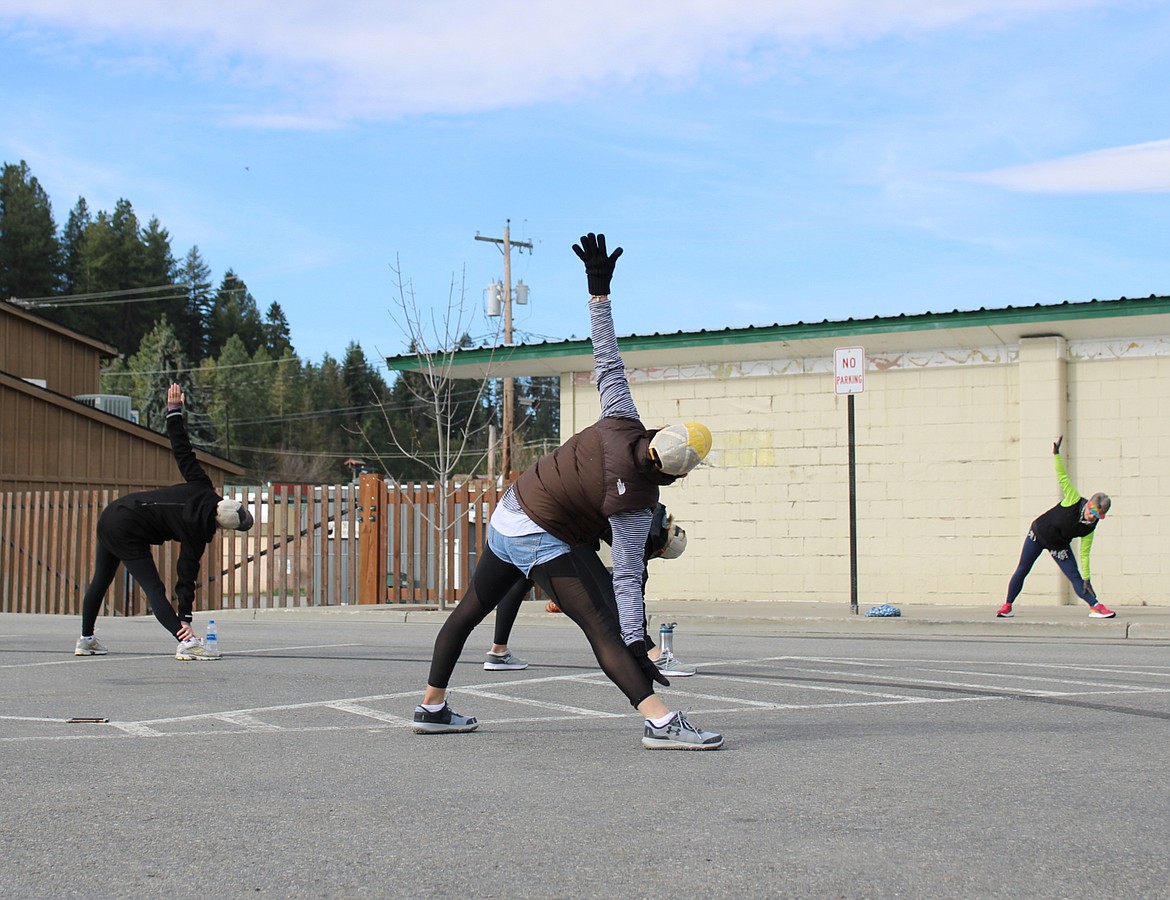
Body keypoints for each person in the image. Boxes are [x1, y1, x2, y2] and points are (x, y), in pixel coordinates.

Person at [411, 232, 723, 749]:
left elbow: (607, 356)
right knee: (603, 627)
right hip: (542, 533)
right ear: (679, 476)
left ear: (662, 430)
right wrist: (636, 640)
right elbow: (625, 576)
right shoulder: (635, 507)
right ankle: (662, 723)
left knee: (469, 610)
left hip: (510, 511)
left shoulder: (622, 416)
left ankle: (431, 706)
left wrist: (598, 289)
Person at [73, 383, 254, 660]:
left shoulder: (203, 486)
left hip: (114, 512)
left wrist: (174, 412)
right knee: (154, 588)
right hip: (127, 529)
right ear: (220, 526)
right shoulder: (199, 531)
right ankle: (186, 644)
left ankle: (86, 639)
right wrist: (184, 619)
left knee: (101, 580)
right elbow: (186, 575)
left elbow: (183, 451)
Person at [483, 502, 699, 677]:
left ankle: (498, 651)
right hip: (566, 525)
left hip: (537, 514)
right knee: (605, 589)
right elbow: (629, 594)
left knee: (523, 577)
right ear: (661, 550)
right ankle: (653, 654)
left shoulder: (646, 507)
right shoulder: (645, 536)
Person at [997, 436, 1114, 619]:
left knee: (1075, 576)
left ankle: (1095, 606)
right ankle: (1007, 605)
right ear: (1089, 503)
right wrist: (1056, 454)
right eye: (1092, 511)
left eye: (1097, 516)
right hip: (1038, 533)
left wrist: (1087, 578)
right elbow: (1063, 477)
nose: (1092, 517)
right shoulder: (1074, 498)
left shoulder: (1090, 528)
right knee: (1023, 568)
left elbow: (1084, 553)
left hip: (1058, 545)